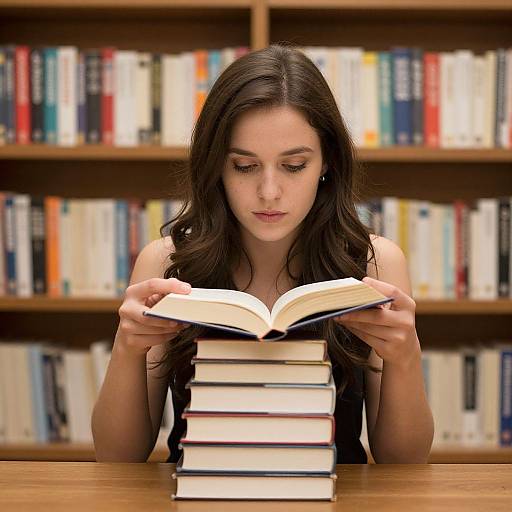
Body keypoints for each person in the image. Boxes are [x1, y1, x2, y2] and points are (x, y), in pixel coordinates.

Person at [92, 43, 434, 464]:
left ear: (326, 161)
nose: (269, 192)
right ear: (216, 165)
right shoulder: (166, 263)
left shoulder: (373, 262)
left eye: (293, 166)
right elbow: (116, 457)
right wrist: (127, 349)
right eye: (244, 166)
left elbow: (404, 463)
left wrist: (406, 357)